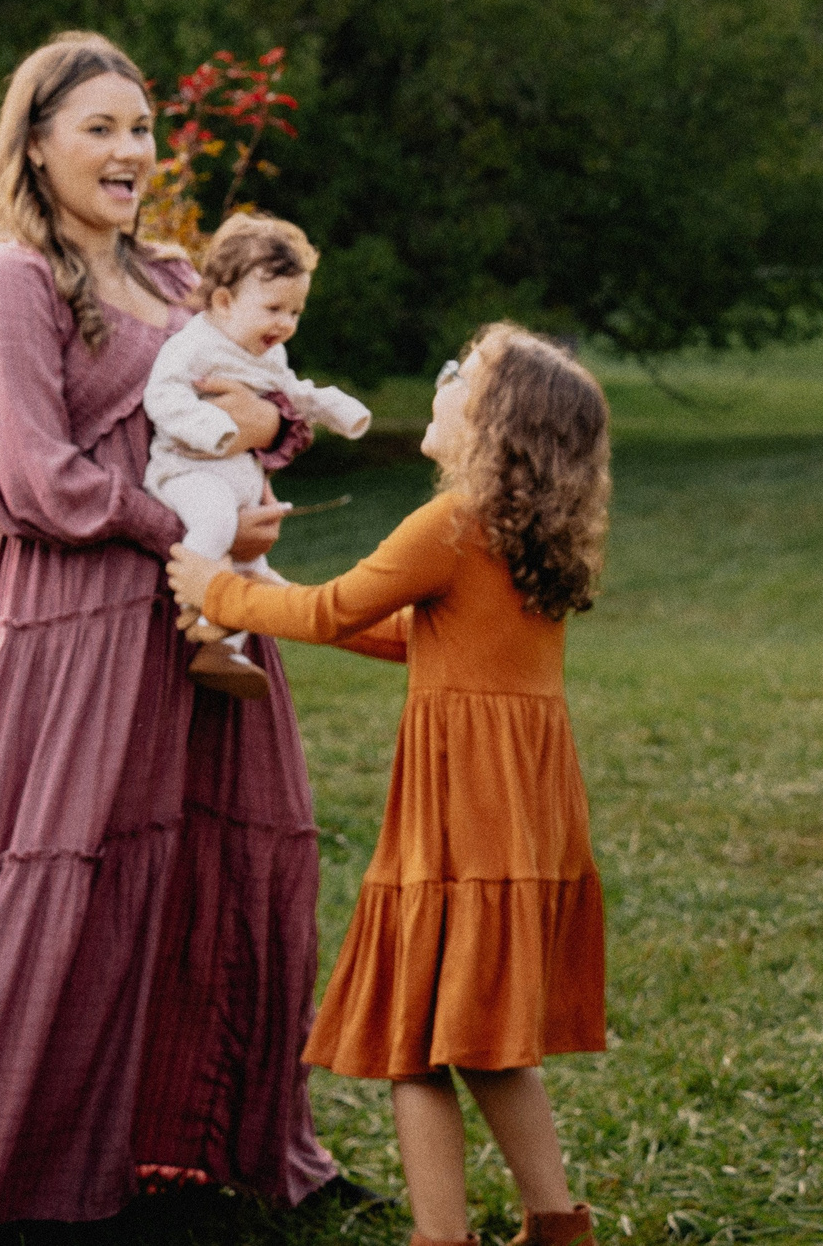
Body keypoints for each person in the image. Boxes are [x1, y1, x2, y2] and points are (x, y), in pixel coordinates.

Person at [0, 33, 349, 1245]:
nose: (131, 153)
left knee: (205, 873)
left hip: (200, 620)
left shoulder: (181, 278)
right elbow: (22, 474)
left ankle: (186, 1147)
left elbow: (256, 403)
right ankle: (6, 1182)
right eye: (101, 130)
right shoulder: (11, 281)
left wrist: (258, 485)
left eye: (142, 130)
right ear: (35, 145)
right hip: (67, 634)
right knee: (55, 888)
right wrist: (168, 520)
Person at [168, 323, 611, 1246]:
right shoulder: (520, 536)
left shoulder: (449, 524)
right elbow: (418, 636)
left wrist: (217, 588)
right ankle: (556, 1224)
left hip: (461, 819)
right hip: (519, 816)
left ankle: (445, 1237)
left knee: (418, 1039)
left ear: (494, 425)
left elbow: (334, 610)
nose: (442, 381)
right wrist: (264, 590)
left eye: (462, 375)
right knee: (488, 1041)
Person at [143, 211, 371, 692]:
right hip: (187, 469)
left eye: (295, 311)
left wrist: (334, 408)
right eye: (274, 309)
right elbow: (162, 396)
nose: (286, 323)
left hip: (237, 480)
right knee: (217, 524)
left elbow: (291, 393)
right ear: (224, 301)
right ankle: (197, 604)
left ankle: (222, 651)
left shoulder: (269, 353)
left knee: (254, 568)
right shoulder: (195, 345)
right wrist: (215, 428)